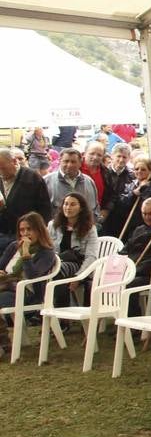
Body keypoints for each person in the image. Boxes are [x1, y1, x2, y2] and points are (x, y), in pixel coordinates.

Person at [0, 212, 58, 347]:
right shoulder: (14, 246)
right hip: (6, 287)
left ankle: (3, 343)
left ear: (39, 230)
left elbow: (33, 277)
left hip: (27, 293)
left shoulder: (46, 253)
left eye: (29, 229)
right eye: (22, 230)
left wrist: (26, 254)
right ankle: (3, 342)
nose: (25, 233)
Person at [47, 193, 98, 307]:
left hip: (79, 264)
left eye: (73, 204)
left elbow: (91, 257)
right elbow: (46, 248)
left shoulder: (90, 228)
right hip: (56, 261)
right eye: (66, 204)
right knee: (46, 269)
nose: (68, 207)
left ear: (81, 208)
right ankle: (45, 306)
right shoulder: (53, 225)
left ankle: (61, 312)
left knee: (57, 270)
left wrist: (78, 277)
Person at [0, 147, 54, 250]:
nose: (0, 173)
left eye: (2, 168)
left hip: (24, 236)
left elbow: (45, 210)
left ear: (14, 162)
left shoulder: (32, 178)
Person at [44, 148, 97, 213]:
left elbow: (94, 208)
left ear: (80, 163)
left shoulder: (89, 181)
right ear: (60, 161)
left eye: (73, 162)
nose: (69, 165)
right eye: (66, 161)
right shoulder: (46, 181)